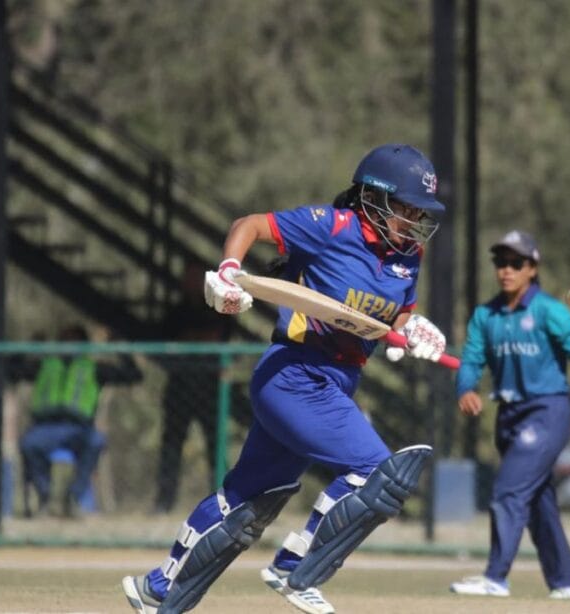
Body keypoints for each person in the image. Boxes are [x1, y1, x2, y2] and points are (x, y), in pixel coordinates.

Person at [122, 143, 450, 614]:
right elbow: (250, 226)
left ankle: (158, 589)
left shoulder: (408, 256)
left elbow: (395, 317)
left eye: (419, 211)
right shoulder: (332, 227)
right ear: (373, 199)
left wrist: (412, 331)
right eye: (405, 208)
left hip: (338, 380)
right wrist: (228, 272)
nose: (413, 219)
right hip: (295, 374)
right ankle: (294, 566)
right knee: (378, 473)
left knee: (247, 500)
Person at [449, 230, 570, 600]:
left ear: (532, 268)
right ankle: (564, 583)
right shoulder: (486, 314)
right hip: (509, 415)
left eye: (515, 263)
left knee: (507, 493)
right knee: (537, 501)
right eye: (501, 263)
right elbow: (470, 360)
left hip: (547, 411)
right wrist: (465, 389)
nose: (506, 271)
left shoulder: (550, 311)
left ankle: (495, 577)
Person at [19, 324, 142, 517]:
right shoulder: (45, 365)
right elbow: (10, 370)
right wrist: (30, 346)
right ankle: (45, 499)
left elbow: (134, 376)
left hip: (79, 429)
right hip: (45, 428)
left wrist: (120, 348)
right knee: (29, 444)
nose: (69, 345)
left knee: (96, 441)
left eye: (74, 340)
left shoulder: (94, 368)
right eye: (64, 340)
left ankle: (74, 498)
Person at [151, 259, 239, 514]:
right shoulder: (175, 312)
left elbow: (222, 339)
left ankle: (223, 500)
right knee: (171, 444)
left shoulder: (218, 308)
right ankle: (164, 502)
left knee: (216, 444)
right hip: (179, 386)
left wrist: (195, 341)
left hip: (211, 388)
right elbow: (165, 343)